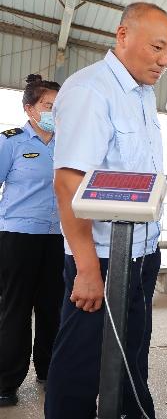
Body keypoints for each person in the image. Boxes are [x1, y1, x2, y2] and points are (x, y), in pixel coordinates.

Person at [44, 3, 167, 419]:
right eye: (157, 47)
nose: (164, 60)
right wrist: (86, 269)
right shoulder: (91, 91)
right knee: (81, 368)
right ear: (122, 35)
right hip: (100, 257)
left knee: (131, 358)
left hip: (140, 253)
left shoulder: (142, 95)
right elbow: (68, 184)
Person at [0, 74, 64, 407]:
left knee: (53, 309)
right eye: (48, 106)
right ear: (29, 108)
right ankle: (6, 381)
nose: (55, 112)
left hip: (57, 239)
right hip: (17, 238)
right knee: (15, 311)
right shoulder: (10, 141)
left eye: (59, 106)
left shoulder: (69, 143)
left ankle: (50, 370)